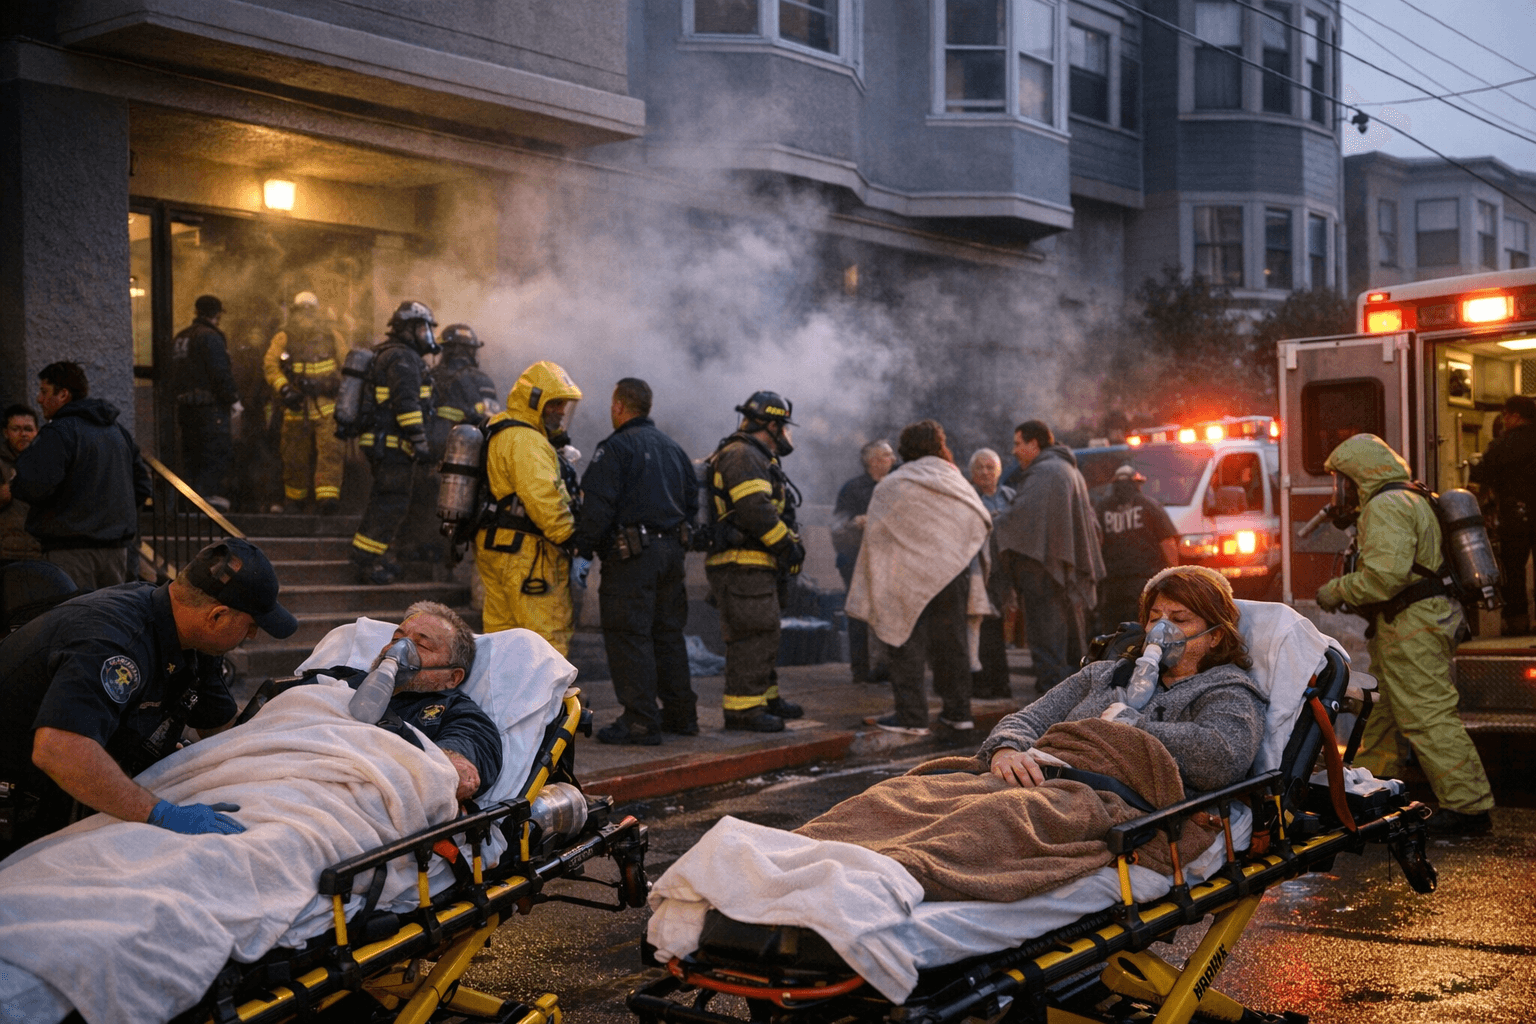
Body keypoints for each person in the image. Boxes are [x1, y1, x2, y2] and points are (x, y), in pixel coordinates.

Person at [0, 538, 297, 857]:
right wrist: (162, 814)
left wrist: (277, 766)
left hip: (61, 793)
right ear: (217, 616)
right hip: (21, 795)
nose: (252, 636)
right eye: (251, 625)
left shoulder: (193, 639)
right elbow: (59, 749)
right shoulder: (116, 641)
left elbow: (221, 727)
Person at [1316, 433, 1494, 837]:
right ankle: (1373, 789)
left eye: (1343, 480)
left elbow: (1385, 578)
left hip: (1413, 626)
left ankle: (1468, 808)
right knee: (1382, 711)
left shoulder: (1386, 505)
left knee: (1427, 714)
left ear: (1359, 475)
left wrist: (1336, 590)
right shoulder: (1410, 497)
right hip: (1409, 624)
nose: (1340, 490)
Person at [981, 564, 1264, 794]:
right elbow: (1027, 720)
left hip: (1095, 802)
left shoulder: (1226, 689)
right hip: (1037, 783)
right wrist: (1006, 750)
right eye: (1155, 618)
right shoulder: (1103, 674)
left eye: (1179, 620)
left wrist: (1135, 728)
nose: (1161, 631)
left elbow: (1223, 758)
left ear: (1215, 636)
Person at [571, 379, 699, 745]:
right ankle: (681, 715)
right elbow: (693, 504)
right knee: (668, 635)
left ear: (618, 407)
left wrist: (584, 552)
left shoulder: (616, 448)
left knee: (630, 636)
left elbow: (597, 508)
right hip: (671, 555)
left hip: (631, 558)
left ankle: (640, 721)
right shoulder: (674, 449)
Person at [847, 420, 992, 736]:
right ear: (941, 446)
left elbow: (877, 536)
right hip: (953, 574)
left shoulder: (892, 484)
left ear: (905, 449)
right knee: (953, 644)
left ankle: (912, 716)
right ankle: (959, 713)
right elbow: (980, 519)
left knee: (904, 641)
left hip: (907, 574)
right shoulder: (956, 481)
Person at [702, 391, 806, 732]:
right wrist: (787, 546)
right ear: (772, 425)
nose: (786, 434)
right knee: (753, 633)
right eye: (783, 427)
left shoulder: (752, 454)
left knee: (765, 631)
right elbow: (754, 509)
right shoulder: (743, 454)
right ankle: (743, 710)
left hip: (752, 563)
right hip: (741, 562)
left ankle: (765, 698)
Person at [0, 362, 152, 591]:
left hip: (69, 552)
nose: (39, 399)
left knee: (73, 611)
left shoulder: (59, 432)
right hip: (116, 553)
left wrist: (17, 486)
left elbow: (35, 485)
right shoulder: (118, 432)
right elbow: (142, 486)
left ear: (63, 394)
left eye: (44, 391)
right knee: (111, 612)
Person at [328, 602, 501, 802]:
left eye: (421, 645)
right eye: (396, 639)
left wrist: (452, 763)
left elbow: (462, 759)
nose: (398, 649)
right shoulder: (340, 679)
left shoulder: (458, 712)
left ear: (452, 677)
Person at [477, 361, 584, 654]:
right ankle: (548, 688)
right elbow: (543, 497)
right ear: (535, 400)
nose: (561, 411)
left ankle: (503, 686)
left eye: (564, 404)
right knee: (546, 641)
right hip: (528, 555)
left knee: (501, 641)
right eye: (555, 403)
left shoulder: (501, 430)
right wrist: (571, 538)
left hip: (497, 547)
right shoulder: (527, 440)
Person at [991, 420, 1104, 694]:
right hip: (1062, 570)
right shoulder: (1067, 469)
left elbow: (1019, 519)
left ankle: (1050, 700)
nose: (1014, 451)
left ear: (1034, 443)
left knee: (1046, 640)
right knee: (1068, 640)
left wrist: (991, 521)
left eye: (1018, 444)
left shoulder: (1045, 472)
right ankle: (1069, 697)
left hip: (1043, 572)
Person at [351, 300, 438, 585]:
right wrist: (420, 441)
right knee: (389, 504)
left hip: (384, 443)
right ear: (407, 329)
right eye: (422, 328)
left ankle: (378, 555)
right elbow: (407, 403)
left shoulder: (390, 353)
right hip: (392, 445)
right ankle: (366, 562)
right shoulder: (402, 357)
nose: (427, 334)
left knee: (386, 501)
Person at [399, 323, 501, 562]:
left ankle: (415, 553)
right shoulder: (481, 380)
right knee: (456, 508)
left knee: (422, 504)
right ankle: (445, 557)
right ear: (470, 351)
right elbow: (491, 421)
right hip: (464, 458)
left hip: (424, 453)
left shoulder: (428, 375)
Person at [264, 291, 349, 513]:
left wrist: (333, 384)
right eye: (302, 310)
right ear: (294, 312)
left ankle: (327, 499)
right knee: (294, 455)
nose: (306, 314)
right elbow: (271, 365)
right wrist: (284, 389)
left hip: (326, 405)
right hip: (296, 405)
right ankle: (295, 500)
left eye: (310, 310)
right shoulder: (284, 337)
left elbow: (347, 366)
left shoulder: (332, 336)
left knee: (331, 452)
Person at [1469, 394, 1536, 636]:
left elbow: (1479, 480)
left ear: (1515, 416)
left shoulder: (1502, 445)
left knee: (1513, 570)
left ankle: (1517, 624)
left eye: (1505, 415)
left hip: (1515, 515)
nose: (1504, 419)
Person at [832, 439, 895, 684]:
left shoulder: (896, 485)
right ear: (874, 461)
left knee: (888, 613)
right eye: (888, 455)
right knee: (859, 614)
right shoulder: (853, 488)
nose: (893, 459)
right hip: (856, 559)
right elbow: (837, 526)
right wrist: (855, 522)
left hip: (888, 561)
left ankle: (886, 667)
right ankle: (861, 669)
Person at [168, 295, 239, 509]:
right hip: (209, 408)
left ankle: (190, 499)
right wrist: (233, 399)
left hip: (186, 408)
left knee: (191, 454)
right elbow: (220, 373)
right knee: (214, 451)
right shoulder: (210, 337)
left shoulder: (181, 337)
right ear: (217, 314)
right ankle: (206, 497)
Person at [1094, 464, 1179, 634]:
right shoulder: (1149, 505)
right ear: (1137, 484)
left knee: (1115, 633)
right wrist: (1175, 575)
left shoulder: (1101, 509)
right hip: (1145, 583)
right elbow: (1168, 542)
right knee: (1144, 628)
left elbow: (1095, 544)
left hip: (1112, 586)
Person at [968, 447, 1014, 698]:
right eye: (980, 468)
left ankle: (1000, 683)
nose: (985, 472)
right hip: (977, 571)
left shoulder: (1010, 496)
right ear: (972, 473)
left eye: (990, 467)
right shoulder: (968, 497)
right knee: (983, 628)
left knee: (1000, 627)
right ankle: (986, 683)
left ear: (998, 472)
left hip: (1005, 572)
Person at [0, 405, 42, 565]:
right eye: (16, 429)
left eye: (28, 429)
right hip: (7, 554)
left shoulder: (47, 463)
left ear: (37, 431)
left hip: (41, 552)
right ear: (6, 432)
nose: (23, 434)